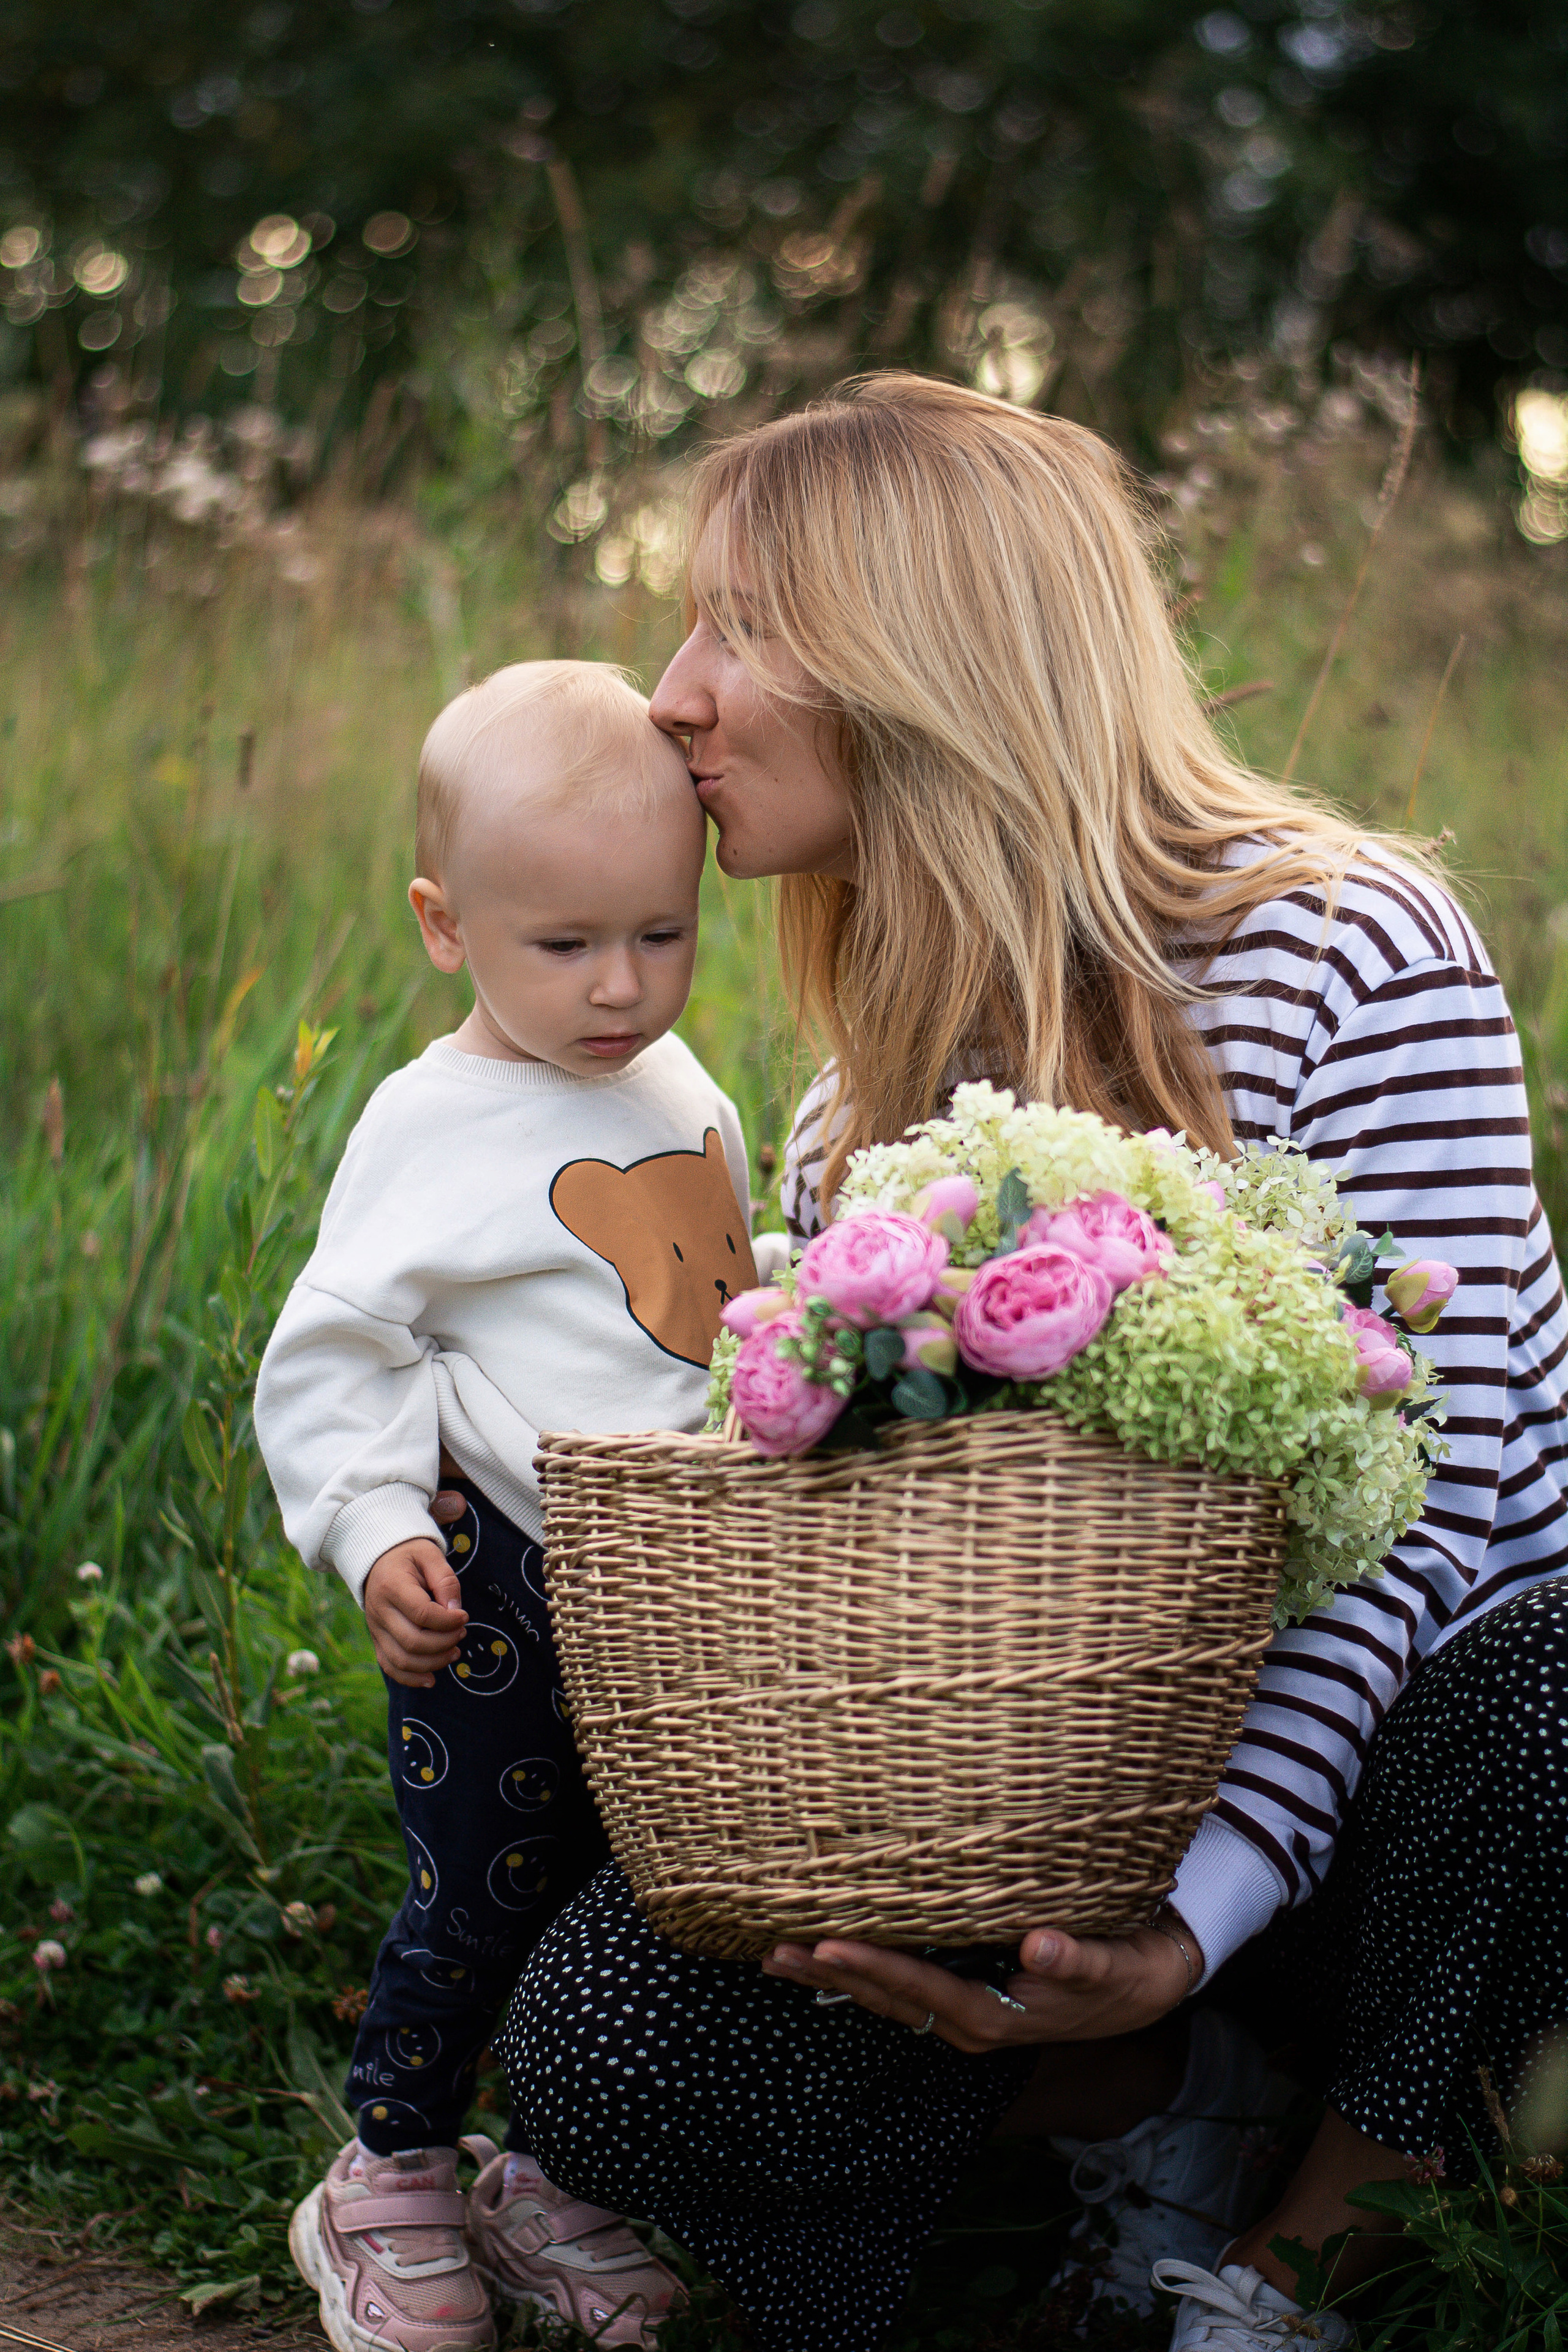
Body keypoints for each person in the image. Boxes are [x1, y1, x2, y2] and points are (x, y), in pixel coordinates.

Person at [491, 377, 1568, 2352]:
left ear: (927, 658)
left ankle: (1335, 2223)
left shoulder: (1352, 950)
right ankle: (1162, 2112)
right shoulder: (851, 1114)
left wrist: (1195, 1914)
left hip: (1395, 1829)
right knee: (605, 2049)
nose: (674, 695)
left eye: (743, 626)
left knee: (1552, 1683)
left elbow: (1438, 1511)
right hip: (1058, 1813)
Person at [256, 660, 778, 2352]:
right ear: (446, 924)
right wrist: (377, 1528)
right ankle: (391, 2169)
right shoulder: (434, 1123)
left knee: (635, 1896)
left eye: (661, 933)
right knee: (480, 1888)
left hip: (675, 1591)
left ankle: (553, 2178)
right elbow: (341, 1353)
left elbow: (714, 1311)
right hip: (501, 1582)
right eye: (564, 945)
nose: (621, 985)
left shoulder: (684, 1088)